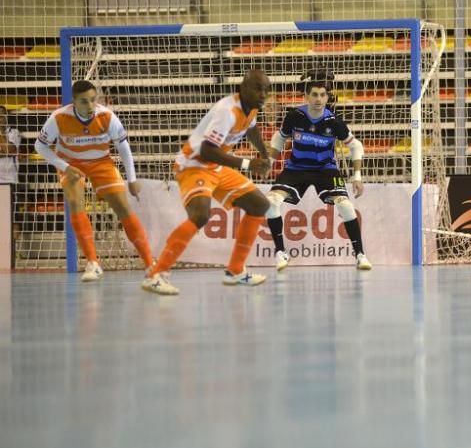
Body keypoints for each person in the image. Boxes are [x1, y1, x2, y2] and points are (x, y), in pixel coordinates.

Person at [142, 70, 273, 296]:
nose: (263, 94)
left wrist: (263, 153)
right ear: (243, 89)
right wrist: (247, 164)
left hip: (215, 167)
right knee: (201, 215)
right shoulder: (227, 112)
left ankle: (235, 271)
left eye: (266, 90)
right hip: (194, 164)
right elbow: (207, 150)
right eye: (258, 89)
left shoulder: (251, 108)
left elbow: (251, 130)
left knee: (259, 205)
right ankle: (157, 274)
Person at [33, 81, 155, 281]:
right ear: (74, 101)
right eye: (84, 101)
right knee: (75, 203)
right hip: (71, 163)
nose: (90, 106)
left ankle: (150, 264)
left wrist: (131, 179)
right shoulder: (59, 117)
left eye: (93, 100)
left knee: (123, 207)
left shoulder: (107, 116)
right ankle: (93, 263)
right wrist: (65, 167)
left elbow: (124, 148)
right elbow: (40, 146)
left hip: (101, 162)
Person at [265, 73, 371, 271]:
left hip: (326, 170)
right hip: (296, 169)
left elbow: (356, 146)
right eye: (314, 94)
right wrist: (270, 160)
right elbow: (279, 138)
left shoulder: (334, 122)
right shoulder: (294, 116)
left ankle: (360, 255)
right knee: (271, 202)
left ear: (327, 97)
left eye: (323, 95)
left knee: (346, 206)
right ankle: (280, 253)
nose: (318, 99)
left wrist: (357, 176)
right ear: (306, 96)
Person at [0, 106, 22, 252]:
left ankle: (13, 252)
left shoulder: (14, 132)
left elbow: (9, 150)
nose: (0, 119)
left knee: (12, 218)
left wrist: (1, 134)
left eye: (2, 116)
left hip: (10, 180)